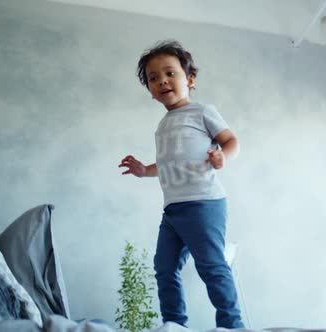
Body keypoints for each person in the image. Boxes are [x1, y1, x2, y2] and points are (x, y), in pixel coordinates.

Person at [118, 40, 244, 329]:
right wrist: (143, 170)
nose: (162, 80)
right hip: (172, 210)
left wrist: (222, 156)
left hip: (204, 204)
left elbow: (231, 141)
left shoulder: (202, 112)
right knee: (164, 267)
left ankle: (232, 324)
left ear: (189, 79)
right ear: (150, 90)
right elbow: (167, 164)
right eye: (153, 78)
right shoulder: (163, 125)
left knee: (211, 266)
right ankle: (174, 324)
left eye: (170, 73)